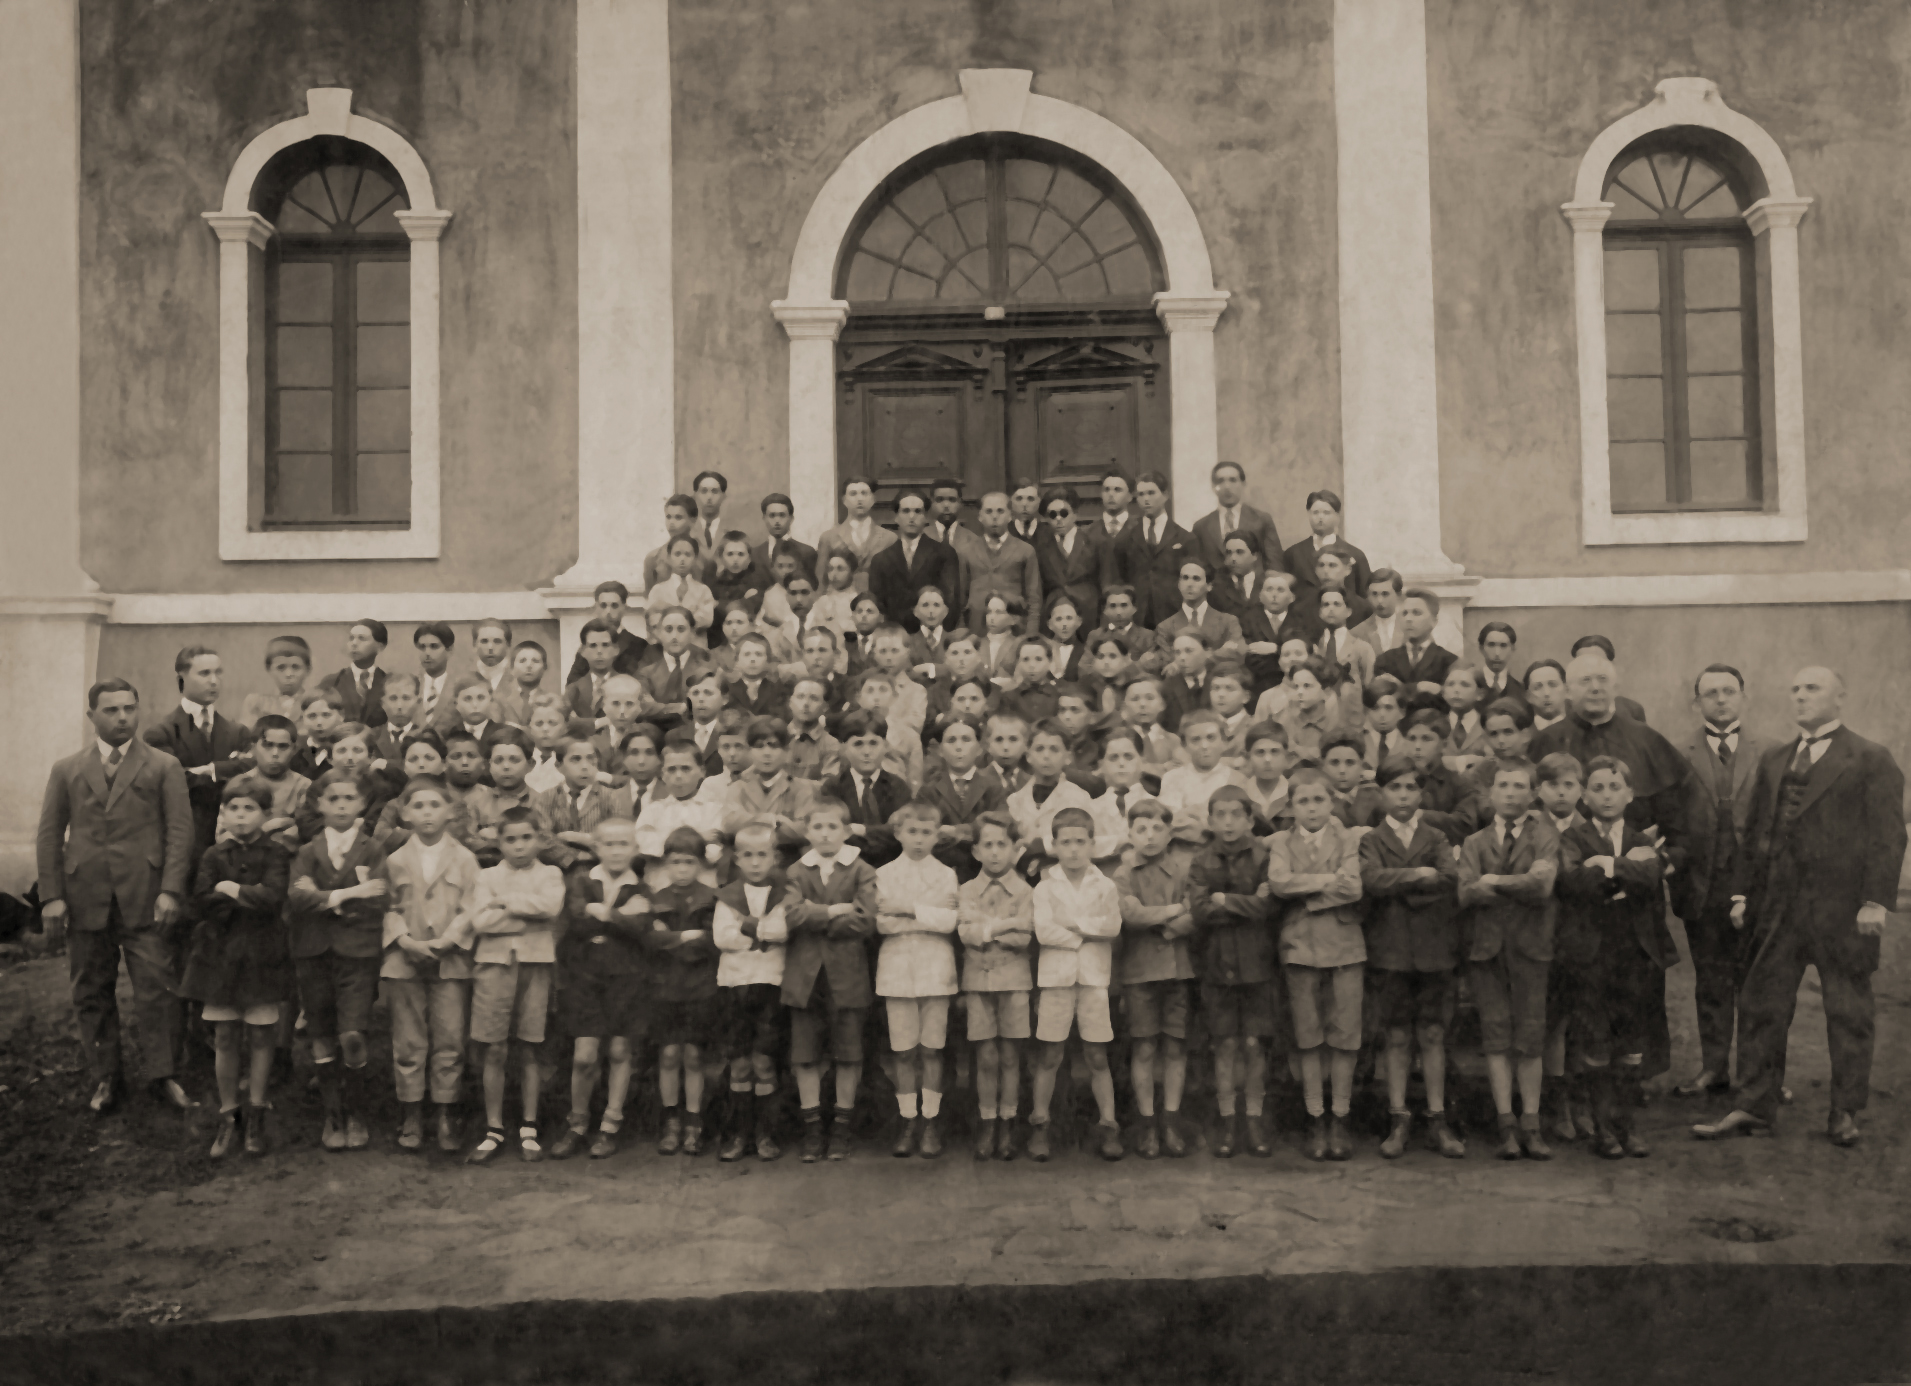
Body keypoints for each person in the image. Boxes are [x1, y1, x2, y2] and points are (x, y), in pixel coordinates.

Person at [1694, 667, 1908, 1147]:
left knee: (1848, 1013)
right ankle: (1755, 1105)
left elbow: (1888, 835)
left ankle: (1845, 1111)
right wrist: (1743, 894)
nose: (1801, 696)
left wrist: (1874, 900)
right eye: (1795, 689)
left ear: (1840, 697)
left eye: (1812, 688)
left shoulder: (1870, 758)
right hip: (1778, 909)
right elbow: (1757, 832)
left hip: (1842, 911)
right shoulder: (1776, 758)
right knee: (1761, 1005)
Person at [37, 680, 197, 1114]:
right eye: (111, 710)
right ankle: (106, 1076)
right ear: (92, 716)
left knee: (158, 988)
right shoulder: (67, 768)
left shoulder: (163, 765)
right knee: (90, 989)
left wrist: (171, 890)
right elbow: (49, 834)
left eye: (129, 708)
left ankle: (163, 1074)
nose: (123, 717)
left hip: (146, 895)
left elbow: (180, 832)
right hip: (85, 896)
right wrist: (51, 896)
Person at [1556, 756, 1674, 1159]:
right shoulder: (1573, 838)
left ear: (1629, 794)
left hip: (1635, 954)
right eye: (1598, 789)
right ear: (1585, 797)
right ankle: (1603, 1128)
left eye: (1614, 787)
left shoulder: (1642, 840)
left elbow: (1651, 877)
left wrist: (1606, 864)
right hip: (1592, 956)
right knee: (1596, 1040)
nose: (1607, 796)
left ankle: (1628, 1125)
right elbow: (1574, 881)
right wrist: (1624, 875)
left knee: (1631, 1042)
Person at [442, 805, 565, 1164]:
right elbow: (481, 922)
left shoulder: (551, 873)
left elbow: (551, 907)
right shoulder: (487, 877)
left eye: (527, 837)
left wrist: (506, 903)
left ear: (540, 840)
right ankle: (493, 1128)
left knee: (530, 1047)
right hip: (494, 965)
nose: (519, 846)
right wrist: (529, 918)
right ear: (499, 842)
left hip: (536, 965)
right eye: (511, 839)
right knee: (494, 1048)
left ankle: (529, 1127)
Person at [1359, 760, 1465, 1159]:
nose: (1402, 795)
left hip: (1435, 950)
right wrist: (1418, 875)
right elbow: (1371, 880)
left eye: (1410, 788)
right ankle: (1398, 1118)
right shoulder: (1371, 839)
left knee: (1434, 1033)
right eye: (1394, 788)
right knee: (1397, 1035)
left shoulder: (1436, 836)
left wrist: (1400, 881)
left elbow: (1449, 877)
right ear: (1381, 793)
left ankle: (1438, 1119)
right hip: (1391, 950)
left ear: (1421, 794)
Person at [180, 777, 291, 1158]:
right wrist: (244, 897)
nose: (241, 816)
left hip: (262, 955)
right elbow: (201, 900)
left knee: (261, 1035)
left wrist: (230, 890)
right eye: (234, 809)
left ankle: (257, 1112)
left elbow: (273, 898)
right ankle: (229, 1115)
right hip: (220, 956)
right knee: (225, 1036)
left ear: (266, 814)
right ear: (223, 814)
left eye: (250, 809)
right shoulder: (213, 855)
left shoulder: (276, 854)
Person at [1457, 757, 1560, 1161]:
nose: (1511, 794)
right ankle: (1506, 1125)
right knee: (1496, 1037)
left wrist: (1495, 881)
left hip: (1531, 949)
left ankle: (1531, 1124)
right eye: (1503, 786)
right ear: (1490, 793)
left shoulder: (1544, 835)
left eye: (1520, 786)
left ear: (1533, 794)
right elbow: (1466, 891)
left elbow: (1542, 885)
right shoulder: (1475, 842)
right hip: (1487, 950)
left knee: (1531, 1039)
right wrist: (1510, 885)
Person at [287, 768, 391, 1151]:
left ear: (362, 804)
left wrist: (322, 897)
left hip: (357, 953)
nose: (342, 805)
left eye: (349, 798)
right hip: (314, 951)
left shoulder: (373, 849)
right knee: (321, 1035)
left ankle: (356, 1112)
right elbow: (297, 898)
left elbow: (380, 898)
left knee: (352, 1034)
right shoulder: (306, 852)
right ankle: (333, 1117)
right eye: (333, 799)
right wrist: (350, 894)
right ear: (319, 805)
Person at [1672, 664, 1764, 1097]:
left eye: (1729, 691)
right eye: (1711, 693)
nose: (1721, 699)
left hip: (1756, 884)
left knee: (1757, 981)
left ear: (1743, 696)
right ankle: (1714, 1068)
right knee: (1710, 980)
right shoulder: (1678, 754)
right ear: (1697, 703)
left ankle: (1759, 1075)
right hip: (1702, 885)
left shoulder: (1772, 752)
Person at [380, 774, 482, 1154]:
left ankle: (445, 1112)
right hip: (404, 959)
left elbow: (473, 907)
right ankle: (411, 1112)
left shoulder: (465, 859)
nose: (427, 813)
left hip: (449, 959)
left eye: (435, 805)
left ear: (450, 812)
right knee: (408, 1039)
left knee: (450, 1038)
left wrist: (448, 940)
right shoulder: (393, 860)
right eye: (418, 806)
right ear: (404, 814)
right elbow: (386, 906)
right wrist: (404, 940)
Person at [1269, 767, 1366, 1161]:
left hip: (1345, 946)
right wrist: (1328, 880)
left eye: (1319, 799)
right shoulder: (1282, 841)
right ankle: (1315, 1116)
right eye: (1303, 801)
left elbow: (1353, 887)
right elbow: (1279, 882)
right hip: (1299, 946)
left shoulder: (1349, 838)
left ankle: (1340, 1116)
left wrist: (1306, 892)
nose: (1311, 808)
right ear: (1291, 806)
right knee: (1307, 1036)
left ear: (1332, 802)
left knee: (1345, 1035)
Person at [782, 798, 880, 1162]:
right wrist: (837, 910)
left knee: (848, 1053)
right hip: (805, 976)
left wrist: (816, 915)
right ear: (807, 832)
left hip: (846, 974)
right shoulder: (797, 870)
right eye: (817, 827)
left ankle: (841, 1128)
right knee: (806, 1055)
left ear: (847, 831)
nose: (825, 834)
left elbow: (865, 919)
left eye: (832, 827)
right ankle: (812, 1129)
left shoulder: (862, 869)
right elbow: (792, 915)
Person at [1028, 806, 1125, 1162]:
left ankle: (1109, 1125)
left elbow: (1112, 927)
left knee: (1097, 1055)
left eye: (1080, 842)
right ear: (1054, 845)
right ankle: (1040, 1125)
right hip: (1056, 979)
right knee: (1050, 1055)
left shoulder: (1105, 885)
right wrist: (1085, 934)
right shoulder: (1044, 886)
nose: (1073, 849)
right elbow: (1044, 931)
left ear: (1092, 844)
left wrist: (1073, 925)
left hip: (1094, 978)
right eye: (1065, 842)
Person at [1191, 785, 1278, 1157]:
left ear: (1249, 820)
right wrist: (1247, 903)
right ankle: (1228, 1121)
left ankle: (1254, 1120)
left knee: (1254, 1044)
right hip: (1217, 963)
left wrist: (1224, 900)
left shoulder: (1264, 856)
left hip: (1257, 962)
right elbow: (1199, 911)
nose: (1228, 823)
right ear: (1210, 821)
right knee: (1225, 1044)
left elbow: (1269, 907)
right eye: (1220, 815)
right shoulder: (1201, 860)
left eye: (1235, 815)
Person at [873, 801, 962, 1158]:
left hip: (936, 968)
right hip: (896, 967)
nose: (919, 839)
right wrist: (928, 914)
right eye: (912, 831)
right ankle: (908, 1119)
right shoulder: (884, 874)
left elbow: (949, 922)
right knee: (904, 1050)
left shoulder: (946, 874)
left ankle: (931, 1120)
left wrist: (907, 908)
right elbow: (883, 923)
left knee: (932, 1049)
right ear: (898, 833)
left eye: (927, 832)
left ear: (937, 836)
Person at [1109, 798, 1196, 1159]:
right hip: (1140, 971)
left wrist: (1171, 923)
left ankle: (1170, 1120)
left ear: (1169, 834)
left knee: (1175, 1045)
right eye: (1141, 829)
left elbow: (1197, 910)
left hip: (1178, 967)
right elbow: (1130, 915)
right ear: (1129, 834)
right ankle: (1147, 1124)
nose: (1150, 836)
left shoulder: (1184, 869)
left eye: (1158, 829)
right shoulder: (1123, 874)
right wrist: (1174, 910)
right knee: (1144, 1046)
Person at [711, 822, 791, 1162]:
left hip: (771, 982)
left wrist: (745, 928)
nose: (755, 862)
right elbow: (722, 938)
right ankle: (739, 1133)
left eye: (762, 855)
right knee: (740, 1063)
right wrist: (762, 934)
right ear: (737, 859)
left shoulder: (785, 894)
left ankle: (765, 1133)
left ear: (775, 857)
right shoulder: (728, 895)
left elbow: (785, 931)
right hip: (734, 984)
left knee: (764, 1062)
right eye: (747, 855)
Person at [956, 812, 1034, 1160]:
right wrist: (1006, 925)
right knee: (986, 1056)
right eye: (987, 845)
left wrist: (987, 926)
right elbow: (967, 934)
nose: (994, 852)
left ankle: (1008, 1123)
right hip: (978, 980)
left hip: (1014, 980)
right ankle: (987, 1121)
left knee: (1010, 1056)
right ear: (975, 851)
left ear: (1015, 849)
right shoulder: (967, 890)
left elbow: (1024, 937)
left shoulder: (1025, 891)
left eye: (1002, 844)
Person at [643, 827, 722, 1157]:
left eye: (689, 862)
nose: (682, 869)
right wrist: (687, 936)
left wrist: (672, 938)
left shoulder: (712, 898)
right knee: (669, 1054)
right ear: (665, 864)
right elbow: (649, 940)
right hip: (665, 987)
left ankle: (694, 1121)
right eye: (675, 862)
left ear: (700, 864)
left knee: (693, 1055)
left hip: (700, 986)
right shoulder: (657, 899)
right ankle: (670, 1120)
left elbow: (712, 941)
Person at [144, 646, 256, 864]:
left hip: (233, 844)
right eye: (204, 673)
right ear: (181, 678)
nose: (214, 681)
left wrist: (210, 770)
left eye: (218, 673)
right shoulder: (161, 734)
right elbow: (176, 781)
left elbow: (251, 771)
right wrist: (228, 770)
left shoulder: (237, 732)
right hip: (185, 845)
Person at [1102, 471, 1192, 629]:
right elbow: (1118, 580)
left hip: (1173, 615)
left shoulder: (1184, 538)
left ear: (1165, 495)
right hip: (1137, 618)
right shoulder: (1125, 538)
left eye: (1151, 493)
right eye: (1141, 494)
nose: (1146, 499)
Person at [953, 490, 1043, 637]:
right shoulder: (966, 551)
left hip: (1015, 631)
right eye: (989, 511)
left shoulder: (1025, 550)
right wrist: (962, 632)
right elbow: (960, 599)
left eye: (1000, 511)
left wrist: (1030, 635)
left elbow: (1034, 599)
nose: (994, 516)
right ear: (980, 516)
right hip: (976, 630)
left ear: (1010, 516)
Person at [867, 488, 958, 631]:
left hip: (931, 632)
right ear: (896, 517)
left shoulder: (944, 553)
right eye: (905, 511)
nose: (911, 517)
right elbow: (877, 605)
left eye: (917, 511)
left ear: (925, 517)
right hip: (893, 634)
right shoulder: (880, 559)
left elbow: (950, 600)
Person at [1191, 459, 1284, 576]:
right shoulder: (1201, 526)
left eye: (1233, 480)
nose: (1227, 486)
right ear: (1213, 486)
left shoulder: (1262, 520)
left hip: (1254, 586)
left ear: (1243, 484)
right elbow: (1196, 568)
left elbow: (1274, 565)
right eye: (1220, 481)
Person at [1032, 486, 1103, 629]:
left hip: (1089, 613)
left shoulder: (1094, 542)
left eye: (1064, 513)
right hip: (1055, 615)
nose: (1058, 519)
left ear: (1075, 514)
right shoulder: (1040, 547)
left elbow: (1104, 580)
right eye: (1052, 515)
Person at [1283, 489, 1372, 602]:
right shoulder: (1293, 554)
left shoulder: (1355, 554)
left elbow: (1365, 596)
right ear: (1308, 514)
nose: (1320, 517)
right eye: (1315, 512)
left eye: (1326, 513)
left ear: (1337, 516)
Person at [814, 476, 898, 595]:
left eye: (864, 493)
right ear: (844, 500)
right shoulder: (829, 537)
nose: (859, 499)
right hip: (839, 601)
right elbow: (820, 582)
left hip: (876, 601)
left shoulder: (889, 538)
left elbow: (894, 581)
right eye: (853, 494)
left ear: (873, 499)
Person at [1371, 589, 1455, 697]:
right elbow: (1378, 695)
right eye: (1404, 613)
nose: (1408, 619)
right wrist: (1419, 687)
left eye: (1416, 613)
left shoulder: (1448, 661)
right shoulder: (1385, 660)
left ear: (1434, 621)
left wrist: (1400, 688)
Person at [564, 583, 648, 685]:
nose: (608, 612)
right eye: (603, 606)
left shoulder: (639, 645)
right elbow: (573, 683)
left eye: (614, 606)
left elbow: (643, 682)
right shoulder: (588, 645)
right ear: (596, 607)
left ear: (624, 608)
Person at [319, 620, 391, 729]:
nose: (354, 643)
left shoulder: (388, 684)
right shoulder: (331, 683)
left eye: (362, 638)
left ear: (380, 646)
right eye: (351, 638)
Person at [648, 536, 718, 643]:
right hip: (665, 645)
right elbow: (654, 620)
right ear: (669, 558)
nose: (682, 559)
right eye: (677, 554)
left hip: (695, 646)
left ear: (695, 559)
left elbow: (706, 619)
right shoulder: (658, 590)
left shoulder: (703, 590)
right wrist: (691, 613)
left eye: (688, 554)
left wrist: (668, 609)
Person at [240, 635, 314, 730]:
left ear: (308, 669)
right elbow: (247, 735)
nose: (288, 674)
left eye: (295, 667)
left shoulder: (315, 702)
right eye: (281, 667)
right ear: (269, 669)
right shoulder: (256, 703)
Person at [643, 494, 710, 591]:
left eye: (678, 517)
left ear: (693, 520)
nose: (671, 523)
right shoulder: (653, 558)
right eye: (668, 517)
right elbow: (649, 596)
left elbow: (711, 596)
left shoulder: (706, 559)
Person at [755, 492, 818, 589]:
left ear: (791, 518)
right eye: (772, 515)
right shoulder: (755, 554)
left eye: (782, 515)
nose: (777, 521)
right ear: (764, 518)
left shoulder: (807, 552)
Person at [494, 641, 551, 729]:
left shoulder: (550, 702)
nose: (529, 665)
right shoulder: (498, 699)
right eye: (522, 661)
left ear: (544, 668)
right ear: (512, 668)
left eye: (535, 661)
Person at [412, 622, 457, 730]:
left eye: (434, 646)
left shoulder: (458, 687)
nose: (427, 653)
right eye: (422, 647)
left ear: (449, 650)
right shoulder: (411, 685)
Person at [1350, 570, 1405, 653]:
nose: (1379, 600)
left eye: (1385, 594)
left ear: (1399, 595)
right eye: (1374, 594)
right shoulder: (1357, 632)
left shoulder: (1410, 627)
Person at [1476, 622, 1524, 701]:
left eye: (1503, 645)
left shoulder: (1521, 691)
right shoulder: (1471, 685)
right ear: (1481, 648)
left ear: (1512, 649)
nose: (1497, 653)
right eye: (1491, 645)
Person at [1097, 469, 1136, 543]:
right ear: (1101, 494)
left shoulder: (1140, 531)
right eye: (1106, 489)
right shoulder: (1087, 533)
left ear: (1130, 496)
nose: (1111, 494)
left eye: (1117, 490)